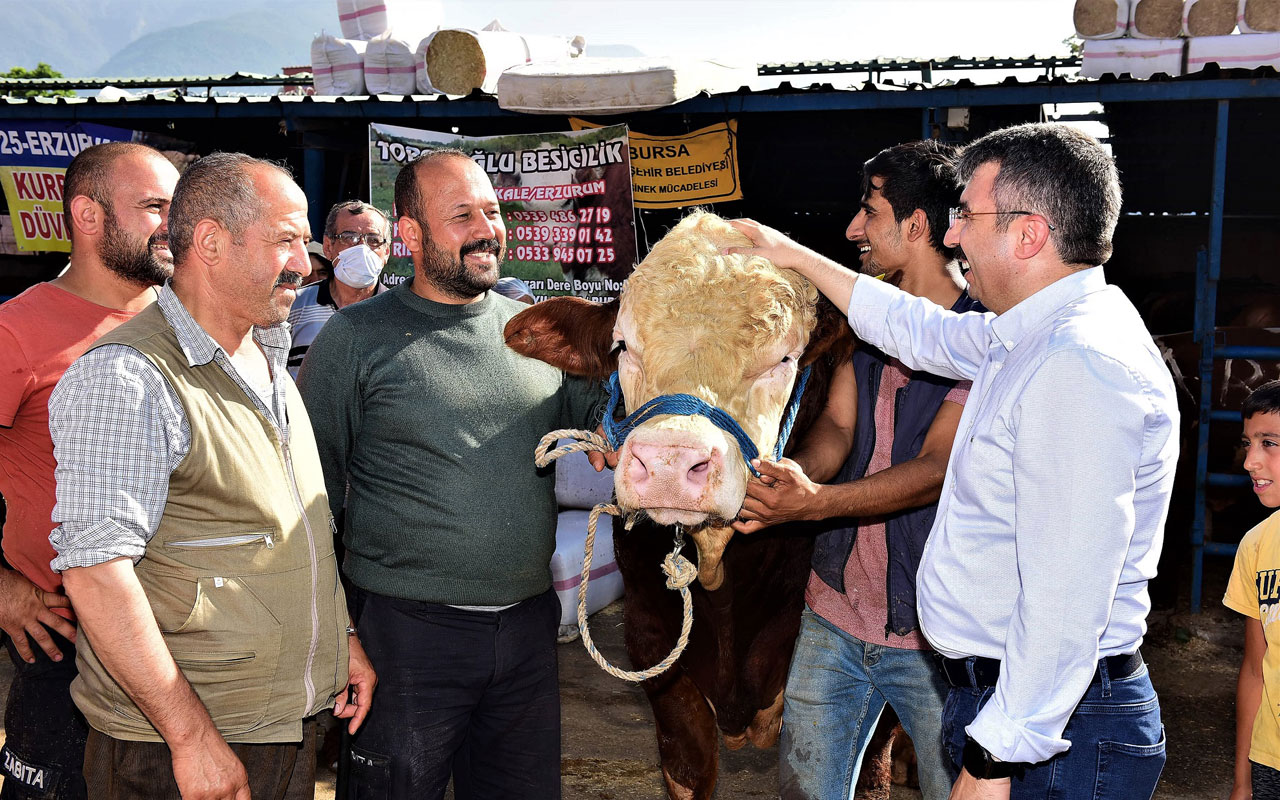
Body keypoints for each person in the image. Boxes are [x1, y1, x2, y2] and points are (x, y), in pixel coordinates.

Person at [728, 122, 1177, 800]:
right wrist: (789, 253)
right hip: (1018, 706)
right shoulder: (1029, 336)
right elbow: (918, 329)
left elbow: (1067, 590)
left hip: (1056, 731)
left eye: (966, 214)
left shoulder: (1080, 364)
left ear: (1027, 234)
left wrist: (998, 758)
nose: (955, 234)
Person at [48, 151, 376, 800]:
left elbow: (288, 527)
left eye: (306, 242)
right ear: (209, 243)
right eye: (285, 240)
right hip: (177, 748)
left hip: (276, 722)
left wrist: (336, 642)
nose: (306, 264)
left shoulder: (265, 353)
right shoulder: (128, 377)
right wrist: (191, 740)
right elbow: (95, 572)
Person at [298, 148, 604, 800]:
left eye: (491, 211)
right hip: (405, 640)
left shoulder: (537, 332)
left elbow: (607, 420)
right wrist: (341, 634)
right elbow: (308, 501)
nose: (486, 228)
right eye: (461, 214)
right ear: (409, 234)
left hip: (526, 632)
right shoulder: (353, 339)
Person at [732, 140, 977, 800]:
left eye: (868, 212)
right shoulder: (866, 322)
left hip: (934, 636)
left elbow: (935, 469)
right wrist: (790, 475)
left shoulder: (982, 334)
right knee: (808, 789)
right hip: (834, 613)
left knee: (956, 789)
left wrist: (814, 506)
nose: (852, 230)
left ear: (916, 225)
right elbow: (838, 429)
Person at [0, 141, 179, 800]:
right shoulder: (17, 331)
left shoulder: (186, 325)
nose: (173, 224)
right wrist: (3, 589)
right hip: (69, 649)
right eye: (155, 206)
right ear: (88, 215)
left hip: (186, 640)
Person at [1226, 380, 1280, 799]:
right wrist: (1242, 782)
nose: (1250, 461)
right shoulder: (1257, 546)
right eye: (1249, 443)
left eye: (1269, 443)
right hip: (1270, 759)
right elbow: (1253, 669)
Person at [287, 200, 392, 376]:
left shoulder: (400, 312)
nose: (362, 248)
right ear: (328, 247)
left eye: (373, 240)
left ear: (386, 252)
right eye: (349, 237)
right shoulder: (293, 306)